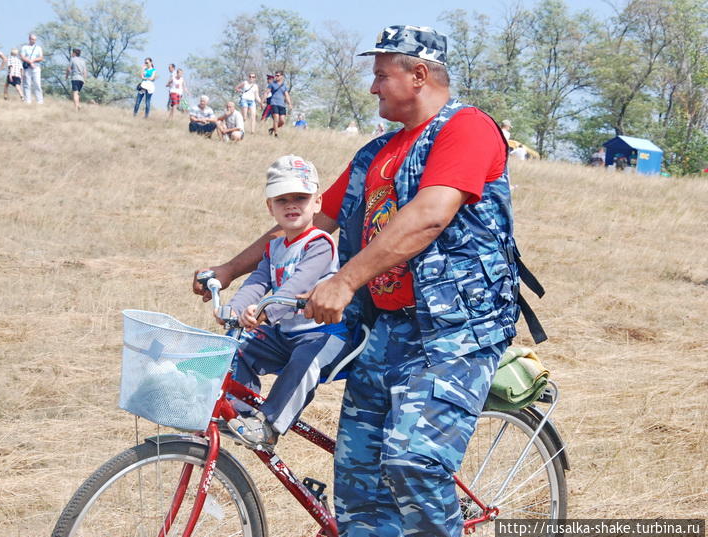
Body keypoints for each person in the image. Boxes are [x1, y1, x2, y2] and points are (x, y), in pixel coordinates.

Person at [193, 24, 524, 537]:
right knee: (360, 486)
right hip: (386, 327)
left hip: (456, 330)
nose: (372, 87)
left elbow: (431, 214)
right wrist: (229, 270)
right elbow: (312, 221)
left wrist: (344, 281)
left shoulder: (467, 128)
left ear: (419, 75)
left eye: (380, 75)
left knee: (414, 463)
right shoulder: (376, 153)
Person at [219, 155, 355, 448]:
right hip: (284, 333)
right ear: (270, 207)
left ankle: (269, 425)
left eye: (300, 198)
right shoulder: (275, 246)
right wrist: (234, 308)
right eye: (282, 200)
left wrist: (267, 311)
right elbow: (258, 280)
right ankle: (237, 413)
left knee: (305, 362)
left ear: (317, 203)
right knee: (239, 345)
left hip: (322, 334)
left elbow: (300, 283)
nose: (291, 205)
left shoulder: (319, 243)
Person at [20, 33, 44, 104]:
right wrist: (30, 62)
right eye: (32, 39)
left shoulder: (38, 48)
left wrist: (33, 61)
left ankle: (40, 101)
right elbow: (22, 57)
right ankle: (28, 101)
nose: (34, 41)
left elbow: (41, 57)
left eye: (35, 40)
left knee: (37, 84)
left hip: (36, 68)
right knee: (27, 84)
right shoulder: (24, 47)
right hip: (27, 68)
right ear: (29, 39)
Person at [266, 71, 291, 137]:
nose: (276, 77)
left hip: (282, 105)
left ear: (282, 76)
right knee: (276, 119)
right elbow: (266, 92)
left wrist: (290, 104)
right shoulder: (272, 84)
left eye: (278, 75)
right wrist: (262, 101)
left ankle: (272, 129)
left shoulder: (284, 86)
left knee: (282, 121)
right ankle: (276, 134)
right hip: (274, 103)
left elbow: (287, 95)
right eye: (275, 75)